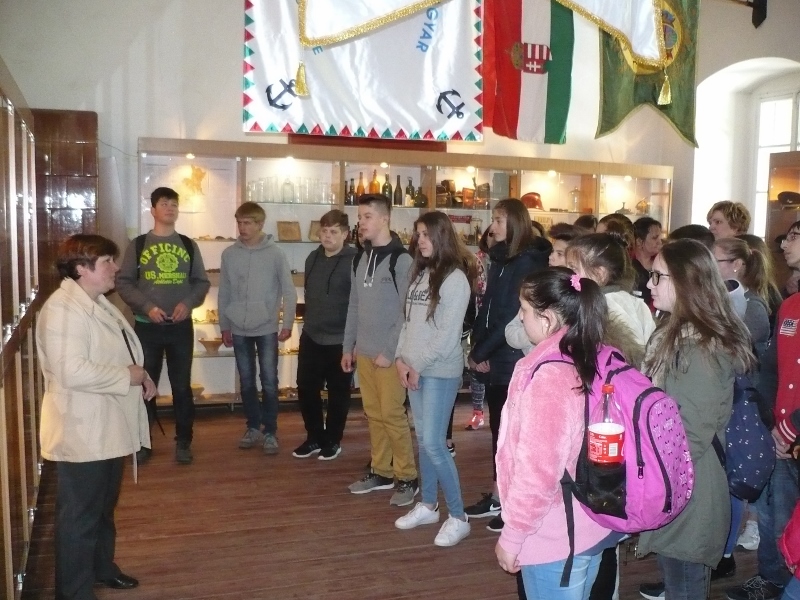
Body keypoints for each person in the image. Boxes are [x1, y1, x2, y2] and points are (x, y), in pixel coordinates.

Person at [638, 239, 754, 600]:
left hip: (690, 485)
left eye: (658, 276)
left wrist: (651, 479)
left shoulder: (699, 349)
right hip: (680, 479)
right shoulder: (676, 335)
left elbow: (690, 433)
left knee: (685, 582)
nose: (649, 284)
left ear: (685, 282)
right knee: (677, 575)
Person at [38, 234, 153, 599]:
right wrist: (127, 376)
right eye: (107, 261)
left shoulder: (95, 301)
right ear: (81, 268)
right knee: (80, 517)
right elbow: (70, 370)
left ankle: (102, 568)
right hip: (82, 428)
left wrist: (140, 375)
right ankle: (73, 592)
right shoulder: (63, 310)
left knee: (102, 508)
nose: (115, 268)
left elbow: (114, 351)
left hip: (105, 423)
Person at [495, 268, 615, 598]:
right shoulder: (589, 352)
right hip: (589, 521)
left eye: (524, 309)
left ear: (547, 318)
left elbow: (538, 470)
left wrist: (513, 536)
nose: (520, 317)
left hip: (556, 535)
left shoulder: (549, 375)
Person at [465, 198, 551, 532]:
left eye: (500, 220)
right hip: (497, 356)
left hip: (513, 358)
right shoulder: (502, 259)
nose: (493, 226)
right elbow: (486, 307)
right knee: (500, 434)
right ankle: (500, 495)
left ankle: (513, 503)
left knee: (513, 435)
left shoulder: (526, 263)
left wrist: (481, 351)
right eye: (494, 219)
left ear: (515, 224)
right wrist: (478, 346)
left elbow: (509, 318)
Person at [725, 221, 800, 600]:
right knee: (774, 513)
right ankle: (772, 579)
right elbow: (771, 369)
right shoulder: (790, 305)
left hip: (793, 432)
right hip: (780, 433)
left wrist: (791, 428)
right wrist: (769, 421)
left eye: (795, 236)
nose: (785, 243)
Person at [394, 211, 475, 546]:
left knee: (435, 444)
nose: (420, 240)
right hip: (416, 367)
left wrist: (416, 363)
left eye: (426, 235)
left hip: (439, 370)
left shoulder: (455, 279)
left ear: (442, 236)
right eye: (418, 234)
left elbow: (446, 336)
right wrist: (401, 358)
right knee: (424, 441)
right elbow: (408, 323)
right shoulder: (420, 274)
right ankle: (428, 504)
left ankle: (459, 516)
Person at [116, 186, 210, 465]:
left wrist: (188, 304)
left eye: (174, 204)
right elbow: (124, 282)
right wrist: (147, 307)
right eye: (164, 203)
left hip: (180, 328)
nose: (170, 208)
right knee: (146, 384)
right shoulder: (138, 244)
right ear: (153, 210)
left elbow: (201, 282)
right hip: (147, 327)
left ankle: (184, 442)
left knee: (182, 387)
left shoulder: (188, 245)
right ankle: (143, 442)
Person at [343, 193, 418, 506]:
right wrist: (348, 346)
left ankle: (408, 477)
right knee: (374, 415)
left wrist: (389, 351)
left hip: (390, 355)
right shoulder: (359, 258)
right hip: (364, 352)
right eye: (359, 217)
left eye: (367, 217)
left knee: (392, 415)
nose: (361, 223)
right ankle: (382, 471)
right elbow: (354, 305)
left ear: (385, 218)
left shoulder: (402, 260)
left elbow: (406, 312)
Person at [218, 201, 297, 455]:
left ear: (260, 224)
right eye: (239, 223)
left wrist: (287, 323)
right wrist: (224, 325)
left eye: (247, 223)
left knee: (270, 381)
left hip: (266, 327)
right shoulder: (229, 254)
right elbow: (224, 291)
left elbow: (289, 291)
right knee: (247, 381)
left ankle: (270, 431)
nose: (242, 228)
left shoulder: (275, 254)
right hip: (238, 328)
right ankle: (252, 427)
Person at [293, 209, 356, 460]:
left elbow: (359, 303)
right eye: (324, 231)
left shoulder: (355, 261)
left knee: (339, 393)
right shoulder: (312, 258)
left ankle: (333, 440)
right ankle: (314, 437)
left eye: (334, 231)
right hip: (311, 336)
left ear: (345, 234)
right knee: (306, 388)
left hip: (341, 340)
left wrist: (353, 341)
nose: (327, 236)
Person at [566, 233, 655, 367]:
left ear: (599, 274)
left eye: (573, 268)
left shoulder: (601, 306)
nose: (568, 274)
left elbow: (631, 354)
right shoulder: (633, 301)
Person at [466, 225, 494, 431]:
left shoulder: (511, 260)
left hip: (499, 322)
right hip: (479, 320)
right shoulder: (477, 260)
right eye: (490, 234)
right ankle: (478, 411)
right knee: (477, 366)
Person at [632, 217, 662, 307]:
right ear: (639, 241)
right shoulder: (627, 263)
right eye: (655, 238)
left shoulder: (662, 262)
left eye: (660, 238)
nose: (660, 242)